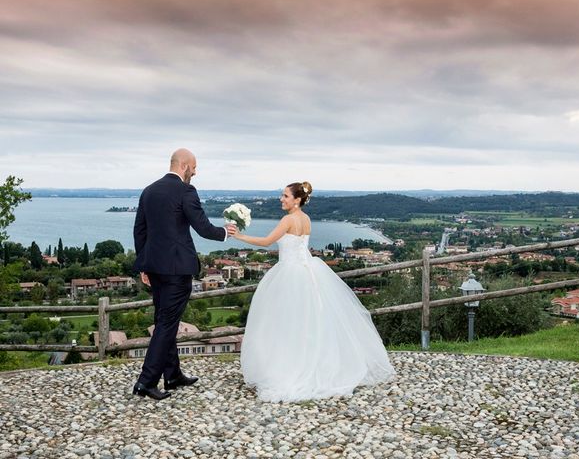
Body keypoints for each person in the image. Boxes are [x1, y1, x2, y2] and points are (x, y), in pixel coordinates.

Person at [232, 181, 395, 402]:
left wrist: (239, 236)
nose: (281, 199)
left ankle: (289, 366)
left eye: (285, 196)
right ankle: (311, 362)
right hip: (307, 272)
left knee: (284, 322)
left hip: (289, 273)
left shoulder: (288, 219)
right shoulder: (306, 219)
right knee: (308, 321)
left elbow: (266, 242)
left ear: (297, 199)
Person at [132, 148, 237, 400]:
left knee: (164, 320)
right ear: (183, 166)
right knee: (167, 324)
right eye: (194, 167)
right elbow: (201, 226)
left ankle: (172, 375)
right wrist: (225, 232)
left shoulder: (149, 191)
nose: (195, 172)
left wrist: (144, 265)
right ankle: (146, 382)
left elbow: (140, 231)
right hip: (178, 270)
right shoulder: (186, 191)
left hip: (155, 268)